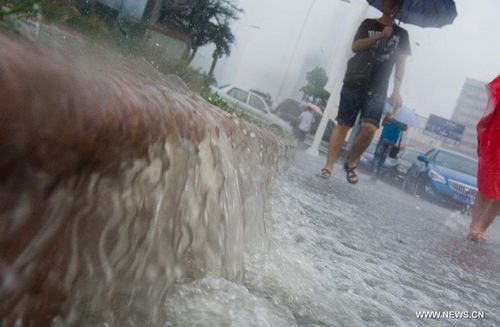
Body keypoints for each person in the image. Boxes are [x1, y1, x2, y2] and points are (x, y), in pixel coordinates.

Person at [319, 0, 410, 184]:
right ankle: (328, 166)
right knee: (344, 124)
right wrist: (379, 36)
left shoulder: (402, 34)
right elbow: (355, 46)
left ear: (399, 7)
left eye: (395, 3)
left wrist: (397, 91)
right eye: (388, 1)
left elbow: (400, 65)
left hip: (378, 87)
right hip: (355, 79)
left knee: (370, 128)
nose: (391, 4)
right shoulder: (368, 24)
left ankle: (351, 162)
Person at [468, 75, 500, 243]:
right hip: (495, 137)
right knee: (487, 182)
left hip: (494, 135)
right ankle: (475, 227)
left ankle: (480, 228)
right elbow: (493, 91)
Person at [371, 112, 402, 177]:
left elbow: (383, 123)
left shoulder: (389, 117)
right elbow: (401, 131)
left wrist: (387, 117)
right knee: (383, 157)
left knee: (377, 155)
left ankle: (375, 170)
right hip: (392, 142)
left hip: (384, 138)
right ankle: (378, 172)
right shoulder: (400, 122)